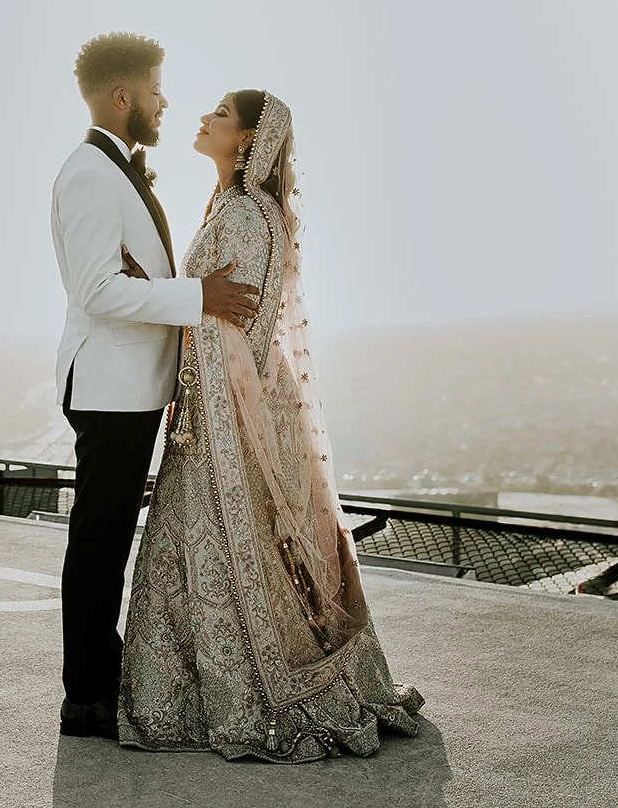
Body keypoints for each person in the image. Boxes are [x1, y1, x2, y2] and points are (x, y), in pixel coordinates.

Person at [116, 88, 424, 762]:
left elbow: (239, 332)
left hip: (219, 427)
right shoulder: (234, 207)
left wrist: (173, 319)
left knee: (215, 558)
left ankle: (250, 695)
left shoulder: (247, 215)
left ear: (251, 138)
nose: (203, 118)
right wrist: (163, 288)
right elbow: (211, 305)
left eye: (221, 114)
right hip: (207, 418)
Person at [49, 32, 261, 739]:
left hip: (134, 388)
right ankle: (86, 697)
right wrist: (196, 295)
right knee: (99, 541)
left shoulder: (117, 171)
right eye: (155, 90)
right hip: (110, 388)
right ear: (122, 96)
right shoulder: (88, 174)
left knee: (106, 540)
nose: (165, 102)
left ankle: (96, 678)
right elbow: (100, 291)